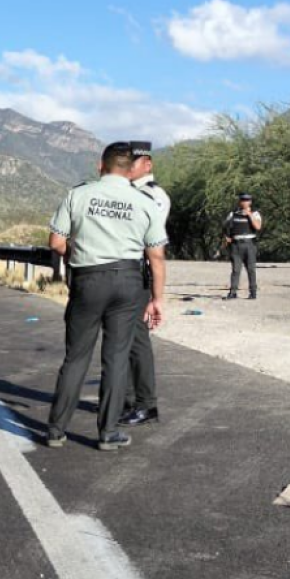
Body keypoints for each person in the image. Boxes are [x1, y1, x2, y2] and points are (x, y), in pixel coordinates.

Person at [46, 142, 168, 452]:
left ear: (101, 164)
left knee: (76, 357)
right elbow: (156, 256)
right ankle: (108, 432)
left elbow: (56, 242)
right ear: (130, 170)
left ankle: (57, 430)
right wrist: (157, 299)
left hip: (88, 279)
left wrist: (80, 253)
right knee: (115, 358)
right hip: (128, 282)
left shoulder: (79, 194)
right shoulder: (145, 201)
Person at [120, 141, 170, 428]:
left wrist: (155, 294)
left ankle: (146, 403)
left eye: (134, 162)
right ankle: (125, 400)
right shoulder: (128, 192)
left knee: (137, 340)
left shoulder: (153, 195)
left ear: (147, 164)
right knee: (122, 339)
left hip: (139, 271)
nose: (128, 167)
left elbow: (151, 243)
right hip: (123, 271)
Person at [224, 194, 262, 300]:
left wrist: (249, 214)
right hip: (236, 245)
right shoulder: (233, 214)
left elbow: (258, 227)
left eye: (247, 200)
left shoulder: (255, 214)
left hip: (249, 244)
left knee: (251, 269)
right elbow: (225, 227)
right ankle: (233, 292)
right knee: (236, 270)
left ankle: (253, 292)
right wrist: (226, 237)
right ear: (239, 202)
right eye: (242, 200)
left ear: (250, 202)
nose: (244, 202)